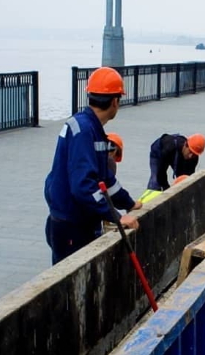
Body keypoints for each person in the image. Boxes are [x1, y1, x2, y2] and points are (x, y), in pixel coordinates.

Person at [44, 67, 141, 265]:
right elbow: (83, 187)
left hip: (75, 220)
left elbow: (105, 179)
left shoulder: (91, 128)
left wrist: (129, 203)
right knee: (69, 287)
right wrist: (115, 216)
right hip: (71, 225)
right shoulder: (84, 131)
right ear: (115, 102)